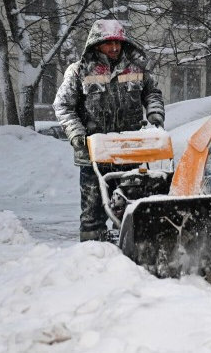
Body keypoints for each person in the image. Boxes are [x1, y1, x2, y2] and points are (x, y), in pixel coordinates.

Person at [53, 19, 165, 242]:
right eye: (108, 43)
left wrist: (154, 112)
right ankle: (92, 254)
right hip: (94, 154)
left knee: (133, 207)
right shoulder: (79, 71)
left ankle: (133, 253)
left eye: (118, 43)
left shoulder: (136, 69)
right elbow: (63, 105)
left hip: (131, 152)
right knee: (92, 212)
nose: (114, 48)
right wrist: (76, 133)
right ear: (96, 44)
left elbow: (152, 93)